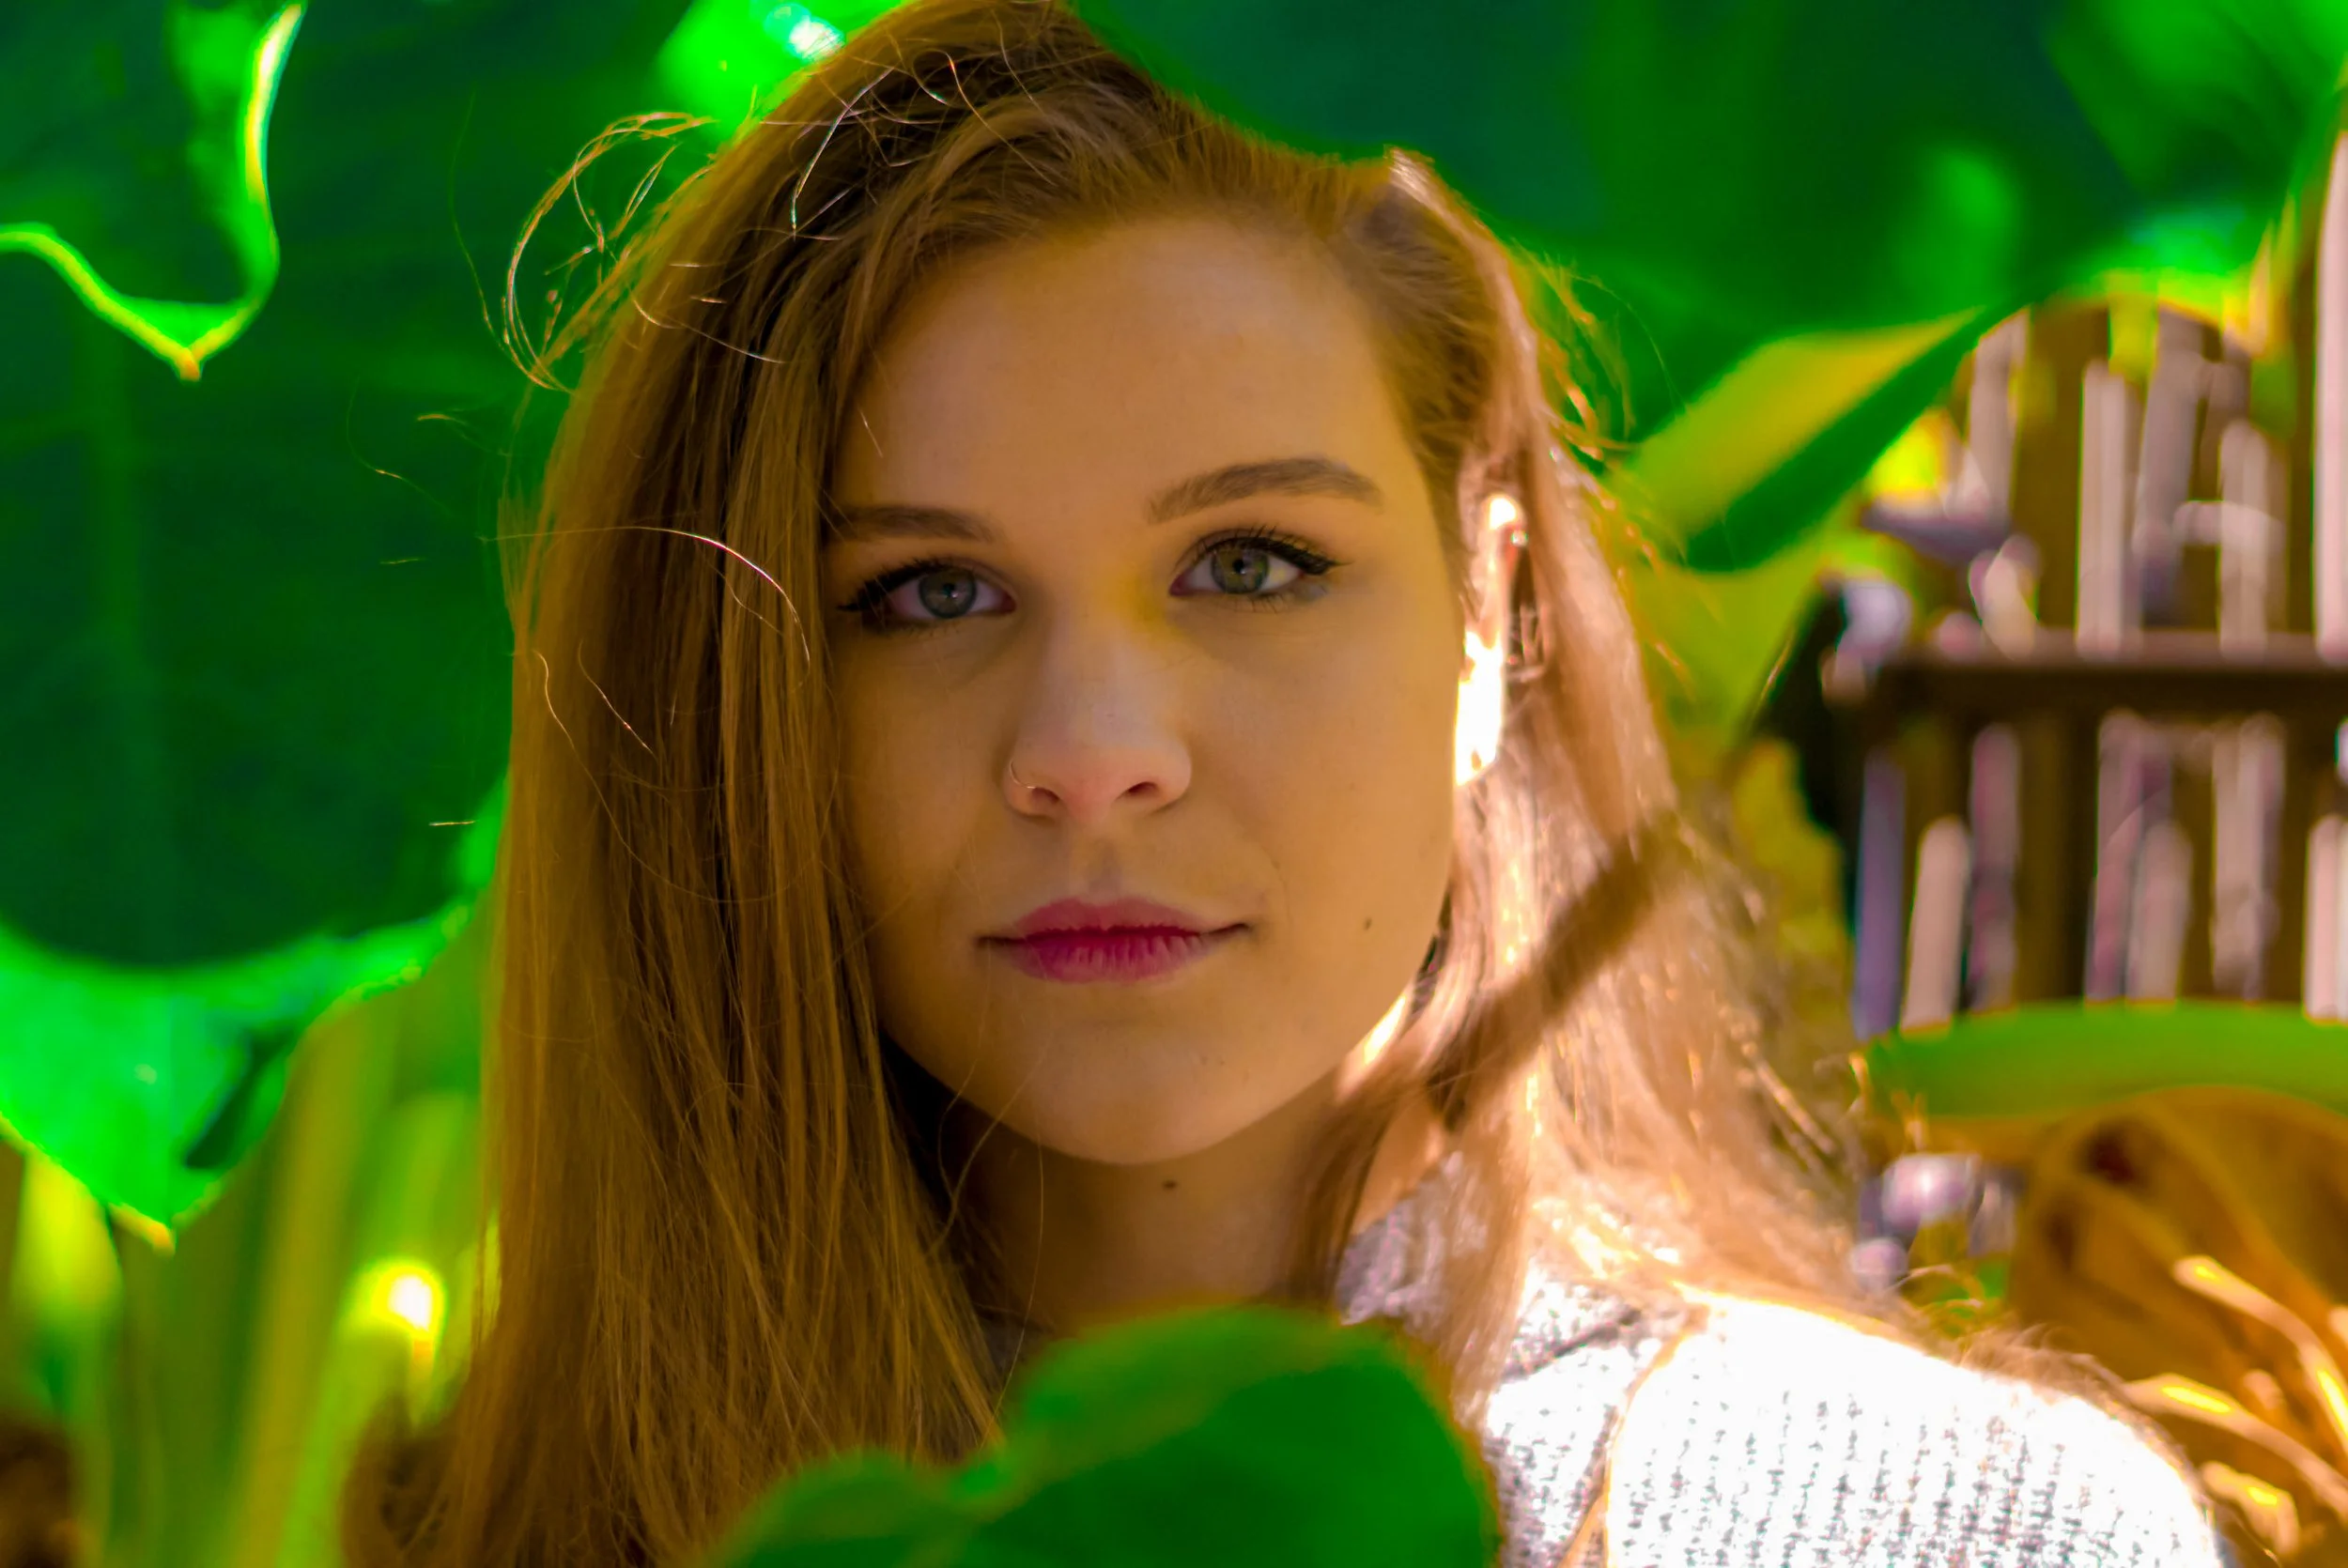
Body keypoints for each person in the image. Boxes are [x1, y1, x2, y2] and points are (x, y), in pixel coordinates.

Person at [342, 1, 2233, 1562]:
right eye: (925, 591)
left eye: (1248, 562)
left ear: (1489, 611)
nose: (1091, 755)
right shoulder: (494, 1524)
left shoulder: (1971, 1530)